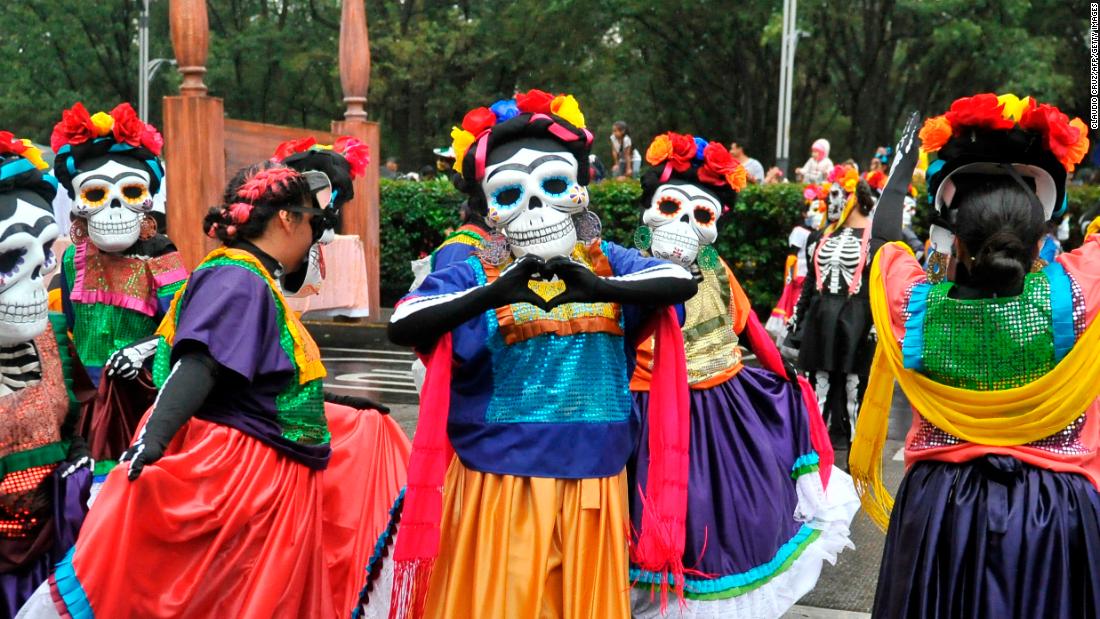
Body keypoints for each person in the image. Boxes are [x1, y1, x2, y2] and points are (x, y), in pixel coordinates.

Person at [21, 161, 410, 618]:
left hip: (262, 477)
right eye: (316, 222)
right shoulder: (237, 279)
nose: (317, 237)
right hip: (239, 479)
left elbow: (257, 380)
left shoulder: (250, 276)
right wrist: (152, 441)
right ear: (287, 219)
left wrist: (342, 407)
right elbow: (199, 364)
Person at [369, 89, 697, 619]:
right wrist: (498, 293)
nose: (537, 206)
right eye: (511, 193)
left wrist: (595, 286)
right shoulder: (476, 271)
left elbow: (680, 278)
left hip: (595, 482)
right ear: (490, 208)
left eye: (553, 185)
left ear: (580, 190)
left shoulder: (608, 263)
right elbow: (404, 320)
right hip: (501, 485)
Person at [852, 93, 1099, 617]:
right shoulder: (1077, 294)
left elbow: (884, 242)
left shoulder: (912, 303)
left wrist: (901, 171)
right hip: (1054, 514)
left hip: (939, 511)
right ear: (1041, 240)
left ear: (955, 242)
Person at [628, 132, 857, 618]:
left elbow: (749, 324)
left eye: (702, 214)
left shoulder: (715, 268)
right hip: (645, 408)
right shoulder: (626, 265)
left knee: (719, 512)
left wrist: (783, 372)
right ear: (650, 207)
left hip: (719, 405)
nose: (685, 224)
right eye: (671, 206)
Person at [787, 113, 920, 454]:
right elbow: (811, 285)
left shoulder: (876, 240)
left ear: (850, 198)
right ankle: (813, 439)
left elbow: (881, 284)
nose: (829, 202)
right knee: (817, 380)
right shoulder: (822, 236)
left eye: (836, 196)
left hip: (856, 317)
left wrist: (878, 322)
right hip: (822, 314)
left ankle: (856, 442)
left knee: (851, 383)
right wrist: (798, 316)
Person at [0, 132, 93, 618]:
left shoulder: (55, 337)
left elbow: (76, 426)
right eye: (10, 260)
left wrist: (79, 463)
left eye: (44, 255)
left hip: (54, 556)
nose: (37, 282)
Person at [51, 103, 188, 389]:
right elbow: (71, 325)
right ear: (78, 203)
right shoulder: (72, 259)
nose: (114, 209)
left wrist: (140, 352)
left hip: (142, 391)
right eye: (95, 193)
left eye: (132, 191)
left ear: (147, 199)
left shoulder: (161, 255)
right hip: (91, 395)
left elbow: (182, 324)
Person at [768, 183, 826, 339]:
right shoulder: (799, 231)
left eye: (821, 210)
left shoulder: (825, 233)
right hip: (799, 276)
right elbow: (792, 256)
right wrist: (789, 279)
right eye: (814, 209)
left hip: (813, 277)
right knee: (794, 306)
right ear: (805, 212)